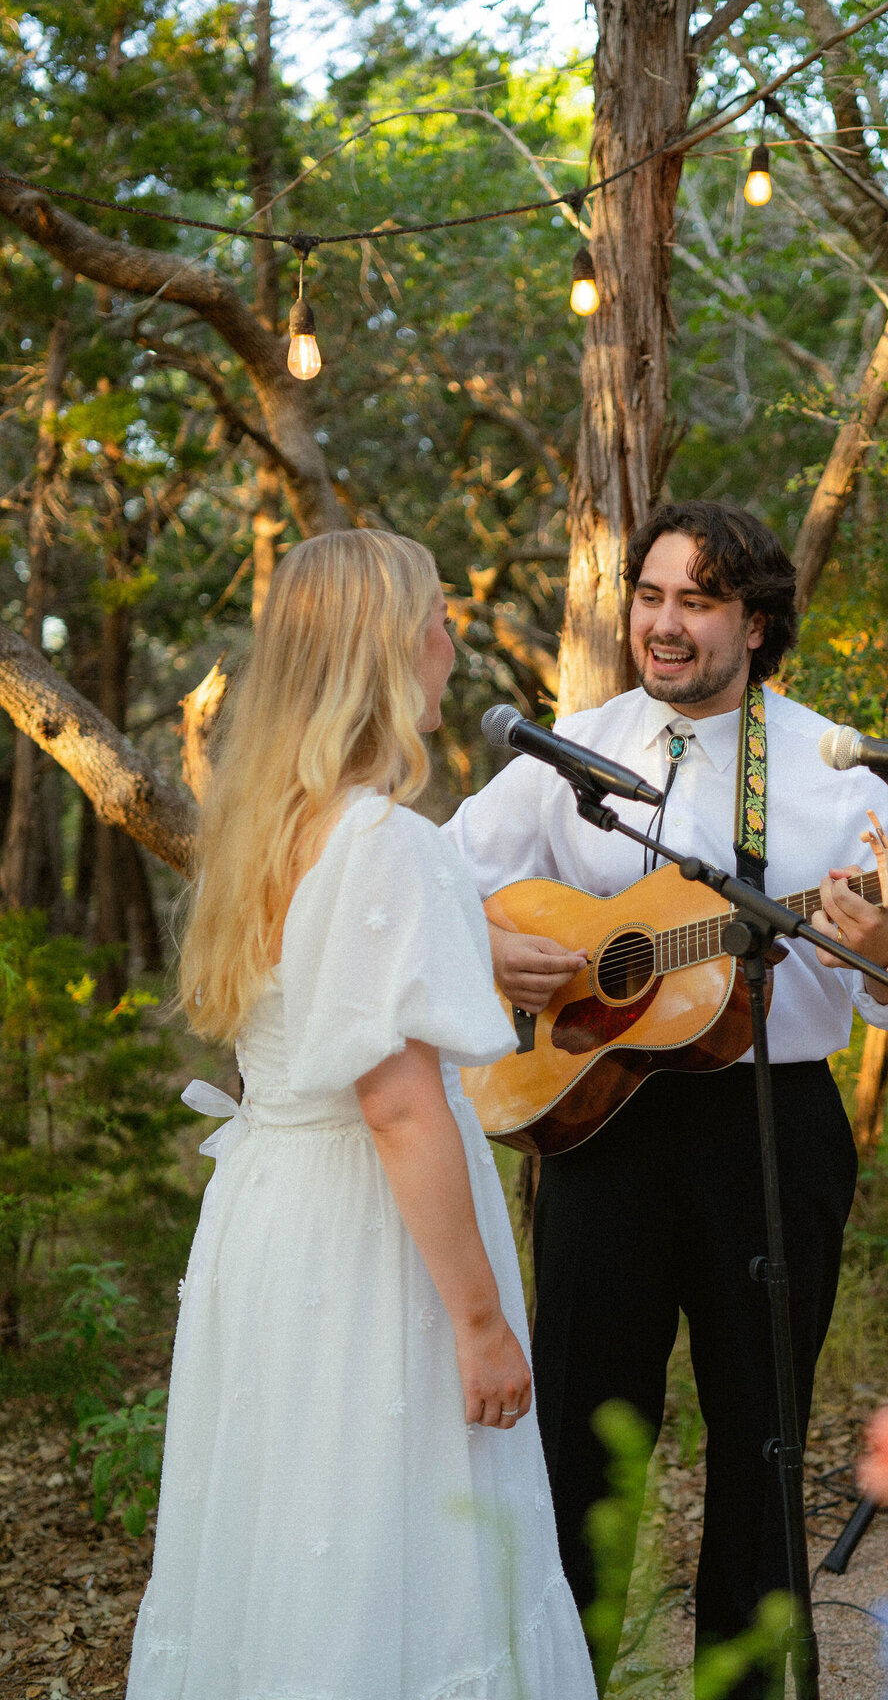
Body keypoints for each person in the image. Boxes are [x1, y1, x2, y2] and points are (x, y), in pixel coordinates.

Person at [443, 500, 888, 1698]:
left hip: (770, 1133)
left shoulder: (831, 769)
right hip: (597, 1125)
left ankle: (739, 1682)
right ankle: (568, 1677)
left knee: (761, 1434)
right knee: (582, 1429)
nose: (662, 628)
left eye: (696, 604)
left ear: (758, 624)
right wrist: (482, 943)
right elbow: (440, 875)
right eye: (651, 597)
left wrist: (886, 942)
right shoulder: (574, 748)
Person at [127, 531, 595, 1700]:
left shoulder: (265, 825)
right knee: (396, 1535)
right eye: (437, 618)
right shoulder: (385, 839)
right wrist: (482, 1322)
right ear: (389, 652)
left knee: (293, 1529)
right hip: (371, 1235)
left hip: (273, 1217)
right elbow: (398, 1108)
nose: (452, 641)